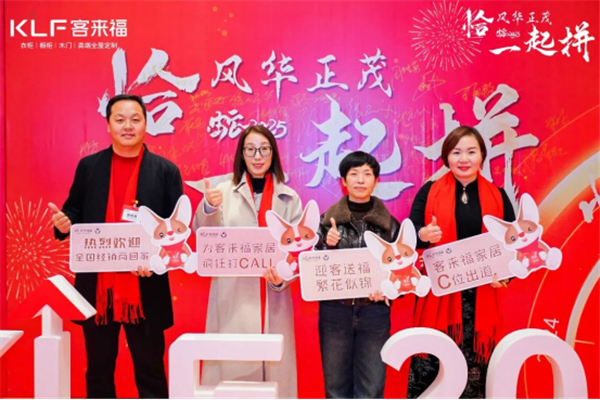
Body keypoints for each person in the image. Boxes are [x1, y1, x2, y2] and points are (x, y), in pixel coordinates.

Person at [49, 94, 183, 399]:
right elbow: (74, 210)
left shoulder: (165, 171)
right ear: (108, 125)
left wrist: (157, 260)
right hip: (98, 287)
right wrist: (65, 223)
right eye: (120, 119)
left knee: (150, 370)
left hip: (145, 287)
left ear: (146, 124)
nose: (128, 126)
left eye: (135, 119)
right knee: (98, 370)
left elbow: (177, 231)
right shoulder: (89, 167)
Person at [192, 125, 302, 398]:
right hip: (232, 294)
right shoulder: (222, 192)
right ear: (241, 154)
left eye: (264, 149)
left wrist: (284, 277)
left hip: (273, 294)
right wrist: (209, 207)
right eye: (250, 149)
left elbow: (299, 249)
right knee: (233, 369)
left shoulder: (289, 197)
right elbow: (204, 238)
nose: (257, 156)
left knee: (274, 370)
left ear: (273, 153)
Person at [407, 126, 515, 399]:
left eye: (471, 152)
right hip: (439, 295)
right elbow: (409, 236)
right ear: (446, 157)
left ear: (482, 156)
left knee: (473, 371)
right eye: (456, 152)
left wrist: (505, 276)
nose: (464, 159)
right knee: (435, 367)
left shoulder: (498, 195)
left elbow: (514, 243)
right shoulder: (429, 191)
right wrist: (423, 234)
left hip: (480, 298)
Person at [315, 151, 401, 399]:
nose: (360, 180)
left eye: (367, 174)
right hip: (335, 312)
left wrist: (388, 290)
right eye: (353, 174)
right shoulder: (325, 222)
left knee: (372, 388)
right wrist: (326, 245)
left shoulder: (391, 225)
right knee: (335, 388)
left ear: (376, 180)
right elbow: (310, 268)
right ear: (343, 180)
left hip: (375, 313)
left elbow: (402, 270)